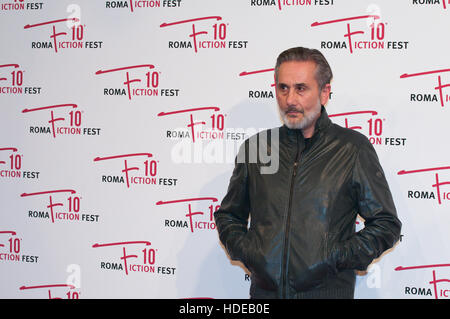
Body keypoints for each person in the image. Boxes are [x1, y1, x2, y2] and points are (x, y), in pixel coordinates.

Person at [214, 47, 402, 299]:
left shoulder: (352, 149)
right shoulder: (257, 148)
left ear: (324, 92)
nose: (290, 99)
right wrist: (252, 253)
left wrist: (333, 257)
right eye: (283, 88)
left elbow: (386, 224)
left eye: (301, 88)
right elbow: (228, 216)